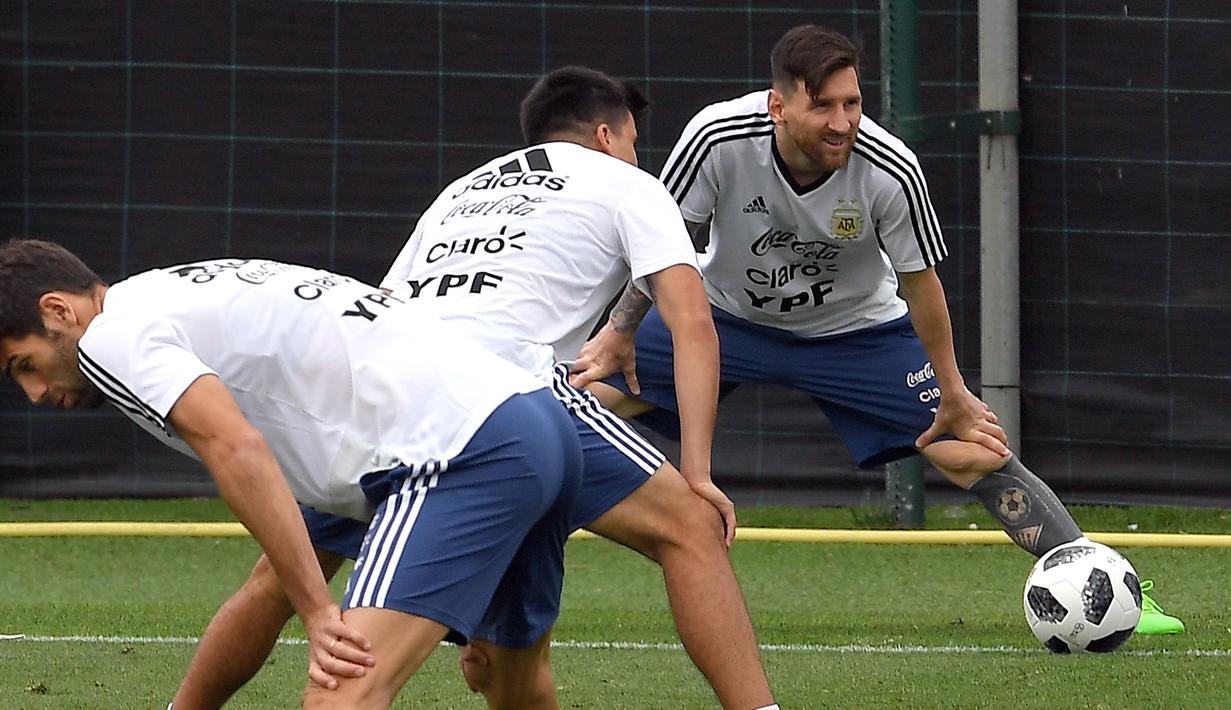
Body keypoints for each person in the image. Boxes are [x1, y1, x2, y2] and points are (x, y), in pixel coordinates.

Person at [168, 67, 779, 710]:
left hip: (396, 397)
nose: (635, 156)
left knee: (279, 581)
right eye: (632, 142)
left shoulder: (460, 191)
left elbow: (376, 311)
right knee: (689, 525)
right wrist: (701, 471)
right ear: (606, 135)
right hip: (503, 397)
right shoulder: (628, 182)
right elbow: (693, 323)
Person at [571, 24, 1184, 635]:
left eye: (853, 103)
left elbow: (922, 286)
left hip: (857, 333)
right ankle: (507, 543)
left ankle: (1106, 587)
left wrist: (954, 390)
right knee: (575, 405)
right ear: (778, 106)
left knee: (975, 453)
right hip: (726, 318)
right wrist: (622, 329)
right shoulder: (715, 138)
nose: (842, 123)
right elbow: (662, 250)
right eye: (824, 106)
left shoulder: (890, 168)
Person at [0, 240, 588, 708]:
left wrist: (318, 612)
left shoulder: (109, 340)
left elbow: (237, 448)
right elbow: (270, 582)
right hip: (535, 420)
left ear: (58, 310)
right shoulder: (157, 294)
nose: (32, 392)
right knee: (513, 685)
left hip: (457, 450)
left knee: (341, 693)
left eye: (24, 364)